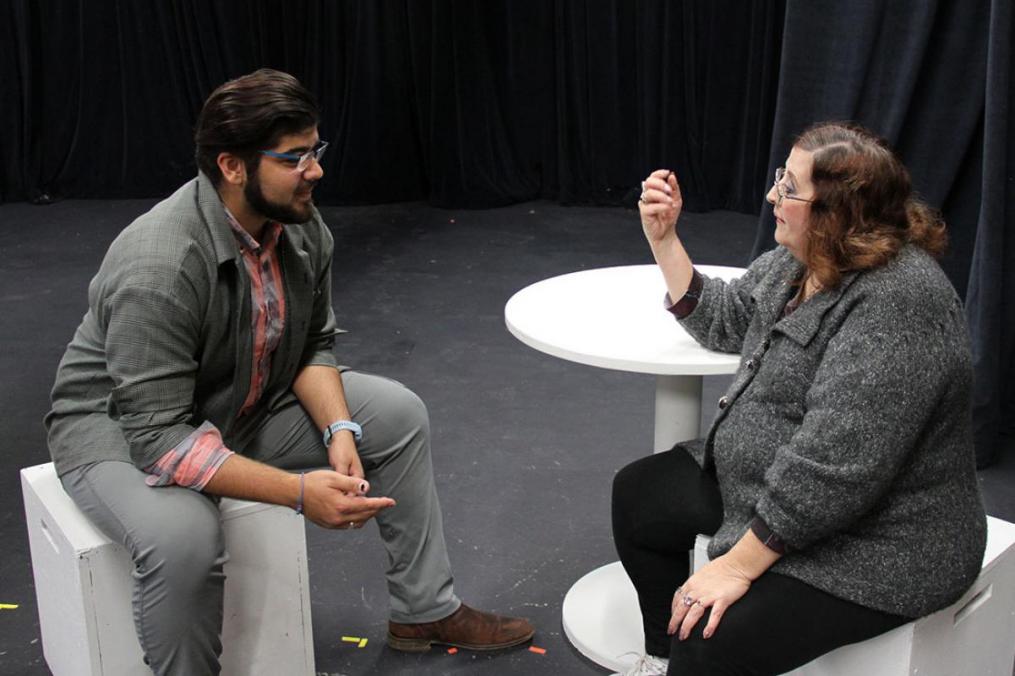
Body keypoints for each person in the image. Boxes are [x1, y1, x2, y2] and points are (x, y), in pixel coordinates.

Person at [44, 68, 533, 675]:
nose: (316, 171)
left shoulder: (298, 228)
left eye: (316, 150)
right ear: (232, 166)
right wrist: (301, 495)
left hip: (236, 400)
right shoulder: (160, 261)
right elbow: (157, 438)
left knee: (396, 414)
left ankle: (423, 610)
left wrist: (340, 431)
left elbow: (311, 345)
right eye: (295, 157)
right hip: (120, 433)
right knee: (184, 540)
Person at [611, 122, 986, 676]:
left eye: (789, 187)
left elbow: (834, 472)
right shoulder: (805, 258)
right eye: (780, 178)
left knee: (711, 640)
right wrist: (664, 239)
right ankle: (660, 662)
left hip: (881, 539)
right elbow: (731, 318)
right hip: (778, 485)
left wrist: (736, 567)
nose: (772, 197)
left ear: (838, 210)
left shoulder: (901, 302)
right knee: (640, 498)